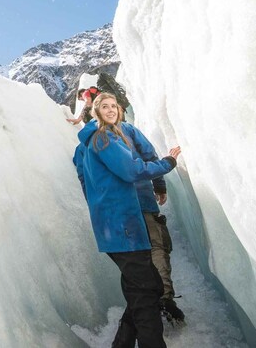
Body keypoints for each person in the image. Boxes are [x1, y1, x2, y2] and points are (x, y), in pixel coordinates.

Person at [75, 92, 182, 348]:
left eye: (114, 106)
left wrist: (101, 207)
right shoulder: (104, 138)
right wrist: (168, 163)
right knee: (147, 292)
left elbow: (84, 181)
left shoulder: (87, 146)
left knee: (141, 288)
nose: (111, 110)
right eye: (105, 106)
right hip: (124, 224)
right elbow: (132, 169)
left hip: (116, 225)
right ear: (95, 111)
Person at [122, 123, 185, 323]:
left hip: (122, 208)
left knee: (140, 254)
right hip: (138, 202)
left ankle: (152, 303)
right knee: (156, 247)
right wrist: (159, 184)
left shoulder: (94, 138)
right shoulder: (125, 130)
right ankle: (163, 299)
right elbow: (149, 156)